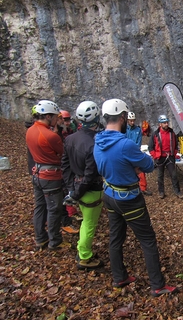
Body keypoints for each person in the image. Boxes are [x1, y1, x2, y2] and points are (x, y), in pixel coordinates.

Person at [93, 99, 178, 296]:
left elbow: (102, 167)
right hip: (129, 198)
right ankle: (157, 285)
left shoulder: (97, 142)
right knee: (147, 240)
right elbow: (148, 165)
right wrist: (134, 166)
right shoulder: (125, 145)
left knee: (115, 237)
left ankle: (119, 276)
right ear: (123, 117)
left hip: (109, 194)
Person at [61, 101, 104, 270]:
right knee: (89, 223)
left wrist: (71, 187)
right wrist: (76, 192)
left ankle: (82, 249)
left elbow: (65, 165)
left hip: (78, 187)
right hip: (90, 190)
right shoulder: (94, 143)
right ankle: (84, 256)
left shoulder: (70, 138)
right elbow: (90, 174)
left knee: (86, 221)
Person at [26, 100, 71, 250]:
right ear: (48, 116)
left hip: (37, 173)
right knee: (54, 209)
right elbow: (63, 153)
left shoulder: (30, 131)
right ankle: (55, 241)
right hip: (50, 176)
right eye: (54, 117)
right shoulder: (50, 136)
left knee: (40, 207)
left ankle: (40, 238)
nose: (56, 120)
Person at [148, 115, 183, 199]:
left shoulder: (172, 133)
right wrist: (155, 156)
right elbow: (150, 147)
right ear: (160, 124)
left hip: (170, 157)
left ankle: (177, 191)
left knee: (174, 175)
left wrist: (174, 154)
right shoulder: (155, 134)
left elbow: (176, 145)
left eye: (167, 122)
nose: (166, 124)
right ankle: (161, 192)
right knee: (160, 176)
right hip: (160, 157)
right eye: (164, 123)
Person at [126, 112, 152, 196]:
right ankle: (128, 187)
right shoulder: (124, 129)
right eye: (130, 121)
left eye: (133, 121)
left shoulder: (137, 130)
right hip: (126, 152)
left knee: (140, 170)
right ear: (127, 120)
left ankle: (143, 188)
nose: (132, 122)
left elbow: (138, 142)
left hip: (135, 151)